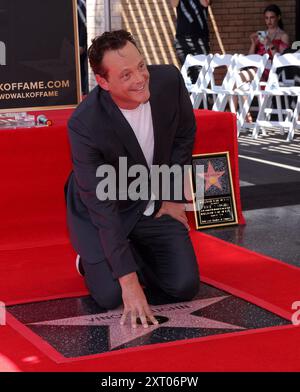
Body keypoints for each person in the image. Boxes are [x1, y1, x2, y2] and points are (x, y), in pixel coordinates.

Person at [65, 30, 200, 329]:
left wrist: (171, 194)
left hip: (150, 198)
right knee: (112, 295)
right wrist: (128, 282)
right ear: (103, 83)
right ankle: (90, 261)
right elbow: (102, 207)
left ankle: (135, 251)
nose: (140, 78)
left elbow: (183, 137)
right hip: (103, 208)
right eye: (126, 75)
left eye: (141, 66)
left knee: (183, 286)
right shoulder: (85, 124)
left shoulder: (168, 82)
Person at [171, 0, 211, 83]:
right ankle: (191, 96)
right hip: (182, 40)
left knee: (201, 74)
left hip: (200, 40)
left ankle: (206, 96)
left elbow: (205, 3)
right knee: (188, 75)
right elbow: (173, 3)